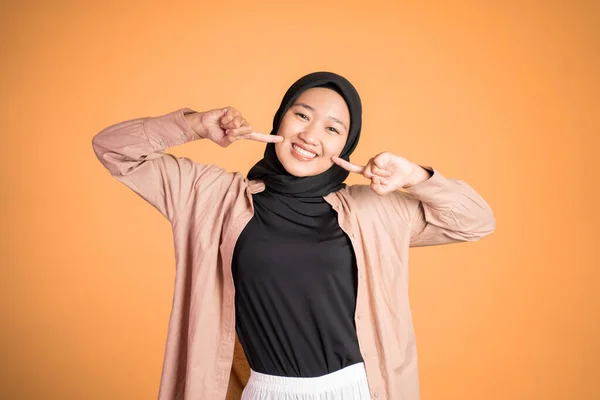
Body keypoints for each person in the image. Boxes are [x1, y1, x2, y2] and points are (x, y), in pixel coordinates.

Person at [92, 72, 495, 400]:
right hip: (266, 390)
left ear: (346, 145)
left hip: (358, 391)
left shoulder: (374, 210)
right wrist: (195, 124)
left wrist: (415, 176)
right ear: (280, 118)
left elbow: (474, 221)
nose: (310, 135)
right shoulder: (210, 196)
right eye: (302, 116)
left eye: (332, 128)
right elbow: (113, 149)